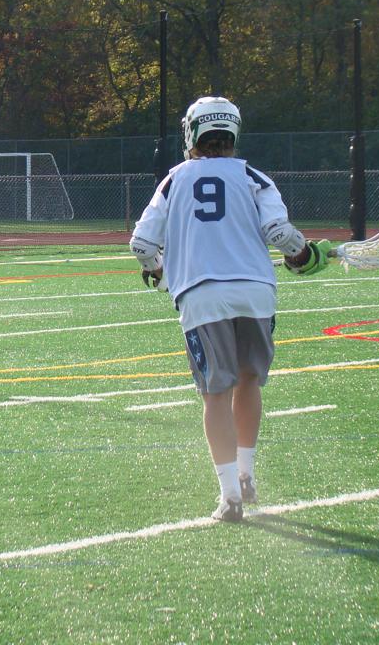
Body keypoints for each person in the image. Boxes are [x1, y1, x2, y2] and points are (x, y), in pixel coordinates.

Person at [130, 96, 331, 523]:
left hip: (202, 294)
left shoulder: (174, 179)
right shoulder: (253, 176)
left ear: (192, 133)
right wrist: (302, 254)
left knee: (215, 392)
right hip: (256, 291)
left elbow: (142, 244)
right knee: (248, 381)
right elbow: (279, 232)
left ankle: (229, 497)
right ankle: (246, 475)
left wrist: (159, 271)